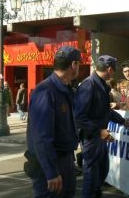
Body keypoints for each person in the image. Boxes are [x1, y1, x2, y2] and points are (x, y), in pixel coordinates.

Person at [26, 46, 81, 197]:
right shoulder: (46, 91)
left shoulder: (66, 89)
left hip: (66, 161)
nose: (79, 68)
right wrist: (51, 171)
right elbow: (42, 137)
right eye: (78, 64)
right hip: (51, 165)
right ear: (73, 65)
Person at [74, 55, 129, 198]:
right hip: (91, 137)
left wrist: (122, 121)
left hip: (98, 135)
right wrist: (99, 131)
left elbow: (105, 110)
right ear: (110, 69)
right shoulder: (89, 85)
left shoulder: (101, 85)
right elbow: (79, 117)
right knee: (91, 176)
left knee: (102, 170)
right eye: (114, 69)